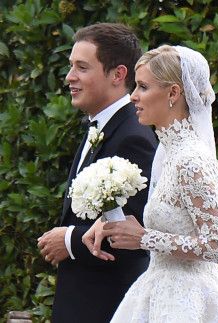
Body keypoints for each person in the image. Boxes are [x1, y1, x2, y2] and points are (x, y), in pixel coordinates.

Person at [82, 45, 218, 322]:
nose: (133, 97)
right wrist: (111, 223)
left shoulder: (191, 159)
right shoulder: (168, 152)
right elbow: (172, 219)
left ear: (173, 93)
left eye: (142, 87)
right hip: (157, 290)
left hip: (189, 300)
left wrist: (144, 238)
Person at [37, 23, 157, 323]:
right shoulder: (100, 126)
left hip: (106, 303)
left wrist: (69, 240)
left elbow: (134, 235)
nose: (69, 77)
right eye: (70, 66)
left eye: (82, 67)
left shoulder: (133, 137)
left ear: (118, 75)